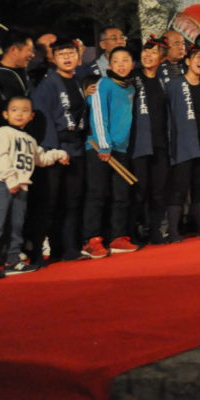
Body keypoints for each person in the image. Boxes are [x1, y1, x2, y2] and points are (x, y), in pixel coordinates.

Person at [0, 96, 68, 279]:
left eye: (25, 110)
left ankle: (13, 259)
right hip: (1, 184)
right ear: (5, 114)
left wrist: (59, 154)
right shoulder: (2, 132)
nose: (20, 114)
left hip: (21, 188)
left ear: (32, 116)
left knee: (16, 225)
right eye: (15, 110)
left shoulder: (29, 139)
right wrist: (11, 180)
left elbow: (40, 159)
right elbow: (0, 157)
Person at [27, 40, 88, 263]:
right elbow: (42, 118)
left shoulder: (80, 80)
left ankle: (69, 248)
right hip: (55, 148)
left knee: (73, 200)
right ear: (53, 58)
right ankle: (39, 251)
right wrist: (53, 150)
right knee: (50, 202)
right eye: (61, 54)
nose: (67, 57)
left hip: (76, 147)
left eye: (71, 53)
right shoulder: (48, 84)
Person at [80, 47, 138, 258]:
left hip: (121, 148)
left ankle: (118, 237)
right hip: (99, 148)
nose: (121, 64)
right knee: (97, 194)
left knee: (121, 195)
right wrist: (104, 146)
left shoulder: (130, 87)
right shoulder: (103, 84)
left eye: (126, 60)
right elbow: (98, 115)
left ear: (132, 63)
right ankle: (92, 239)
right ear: (109, 65)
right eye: (116, 61)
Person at [165, 46, 200, 239]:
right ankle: (173, 229)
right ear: (187, 61)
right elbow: (168, 115)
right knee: (179, 188)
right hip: (182, 144)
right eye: (197, 57)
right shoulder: (174, 85)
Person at [130, 37, 172, 244]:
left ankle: (156, 230)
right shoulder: (132, 77)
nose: (147, 55)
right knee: (139, 190)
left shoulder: (166, 81)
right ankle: (135, 230)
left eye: (153, 52)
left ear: (162, 58)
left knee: (159, 189)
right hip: (138, 142)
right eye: (145, 52)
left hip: (161, 143)